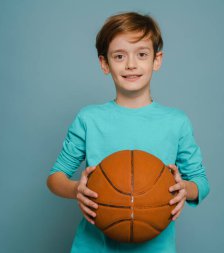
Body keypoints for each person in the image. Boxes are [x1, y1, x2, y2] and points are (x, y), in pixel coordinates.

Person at [46, 11, 210, 253]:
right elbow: (55, 177)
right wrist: (76, 190)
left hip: (157, 248)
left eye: (142, 54)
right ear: (104, 63)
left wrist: (185, 188)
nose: (131, 64)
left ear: (157, 60)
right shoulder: (89, 119)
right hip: (93, 247)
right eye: (119, 56)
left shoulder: (176, 122)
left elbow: (201, 182)